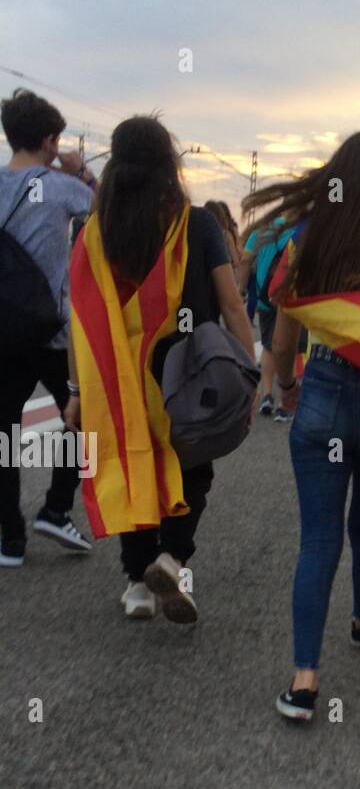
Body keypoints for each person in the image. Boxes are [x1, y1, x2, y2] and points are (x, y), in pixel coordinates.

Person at [245, 131, 360, 723]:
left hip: (321, 393)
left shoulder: (308, 240)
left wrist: (289, 388)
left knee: (318, 540)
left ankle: (303, 680)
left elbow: (286, 331)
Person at [65, 115, 254, 621]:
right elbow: (233, 304)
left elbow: (80, 320)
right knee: (192, 467)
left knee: (133, 465)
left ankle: (136, 585)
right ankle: (172, 557)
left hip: (119, 383)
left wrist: (77, 390)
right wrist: (250, 371)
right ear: (170, 165)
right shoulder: (196, 224)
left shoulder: (93, 234)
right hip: (187, 378)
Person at [0, 88, 96, 567]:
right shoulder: (59, 187)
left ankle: (9, 538)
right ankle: (56, 509)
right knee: (84, 417)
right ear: (50, 139)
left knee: (2, 430)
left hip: (2, 333)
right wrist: (79, 170)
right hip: (53, 332)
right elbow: (106, 210)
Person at [238, 215, 296, 418]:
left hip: (265, 298)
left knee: (269, 346)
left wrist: (242, 291)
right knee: (291, 346)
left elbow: (245, 260)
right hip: (290, 300)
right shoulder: (298, 230)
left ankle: (267, 395)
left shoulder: (260, 231)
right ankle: (285, 402)